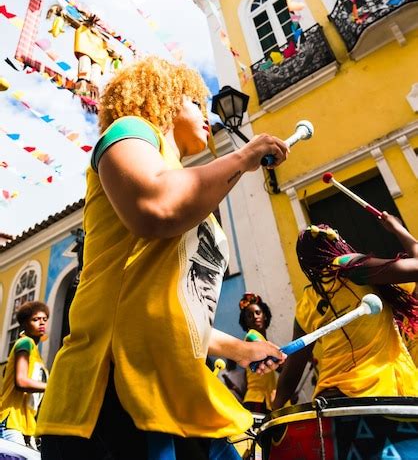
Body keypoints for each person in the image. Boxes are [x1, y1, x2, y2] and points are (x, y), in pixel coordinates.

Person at [36, 55, 289, 460]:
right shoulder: (132, 130)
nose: (206, 115)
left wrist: (242, 350)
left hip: (174, 395)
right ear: (167, 99)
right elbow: (156, 207)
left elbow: (169, 310)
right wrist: (243, 158)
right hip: (110, 399)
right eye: (195, 102)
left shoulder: (185, 179)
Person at [272, 213, 418, 409]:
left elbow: (292, 372)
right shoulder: (350, 266)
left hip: (330, 398)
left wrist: (273, 413)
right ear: (337, 247)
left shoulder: (307, 301)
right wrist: (398, 228)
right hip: (375, 393)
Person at [0, 300, 49, 449]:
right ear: (25, 324)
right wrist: (53, 386)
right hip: (11, 423)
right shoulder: (25, 343)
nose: (41, 323)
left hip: (27, 428)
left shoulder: (36, 354)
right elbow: (21, 381)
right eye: (35, 319)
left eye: (44, 319)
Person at [238, 293, 279, 414]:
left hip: (268, 400)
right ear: (246, 322)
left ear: (265, 315)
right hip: (256, 400)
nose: (255, 317)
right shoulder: (251, 336)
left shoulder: (266, 341)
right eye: (249, 316)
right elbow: (279, 362)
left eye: (258, 312)